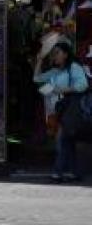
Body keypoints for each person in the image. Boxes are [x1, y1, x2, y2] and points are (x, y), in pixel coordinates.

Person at [34, 40, 89, 182]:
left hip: (73, 108)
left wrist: (63, 90)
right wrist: (40, 60)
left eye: (57, 53)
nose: (54, 56)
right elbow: (36, 78)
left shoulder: (74, 68)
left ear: (65, 54)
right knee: (67, 140)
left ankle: (58, 172)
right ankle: (74, 172)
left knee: (63, 139)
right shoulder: (55, 71)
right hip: (62, 110)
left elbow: (83, 85)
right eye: (53, 54)